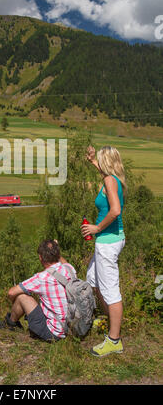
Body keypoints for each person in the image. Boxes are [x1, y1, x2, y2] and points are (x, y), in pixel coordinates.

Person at [82, 145, 126, 357]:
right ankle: (110, 321)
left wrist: (96, 228)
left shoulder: (109, 181)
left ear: (106, 162)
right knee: (94, 280)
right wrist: (92, 161)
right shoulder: (112, 178)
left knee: (110, 290)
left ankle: (114, 340)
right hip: (107, 241)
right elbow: (103, 171)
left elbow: (115, 210)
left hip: (108, 242)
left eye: (100, 160)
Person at [0, 240, 76, 342]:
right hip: (73, 326)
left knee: (22, 297)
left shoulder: (42, 278)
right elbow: (64, 262)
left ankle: (10, 323)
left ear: (40, 257)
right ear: (57, 255)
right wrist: (55, 249)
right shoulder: (69, 269)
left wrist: (15, 303)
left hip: (55, 333)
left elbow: (11, 292)